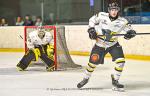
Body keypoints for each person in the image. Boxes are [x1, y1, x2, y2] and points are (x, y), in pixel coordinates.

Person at [77, 2, 136, 91]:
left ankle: (115, 80)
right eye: (112, 10)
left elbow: (130, 30)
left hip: (113, 44)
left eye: (115, 10)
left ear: (118, 10)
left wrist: (131, 33)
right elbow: (92, 20)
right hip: (100, 44)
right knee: (92, 63)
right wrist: (91, 29)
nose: (114, 12)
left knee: (121, 62)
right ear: (109, 10)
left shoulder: (122, 21)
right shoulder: (101, 15)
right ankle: (85, 78)